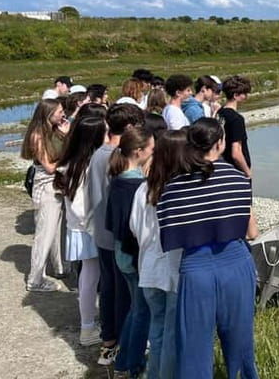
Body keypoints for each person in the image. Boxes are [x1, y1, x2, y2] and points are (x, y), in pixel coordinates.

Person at [157, 118, 259, 379]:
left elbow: (170, 236)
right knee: (240, 341)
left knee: (193, 346)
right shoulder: (238, 179)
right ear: (220, 143)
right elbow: (251, 232)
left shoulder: (173, 187)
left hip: (196, 268)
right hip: (236, 262)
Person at [88, 103, 145, 366]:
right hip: (117, 237)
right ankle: (123, 347)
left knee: (109, 290)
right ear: (131, 128)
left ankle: (107, 343)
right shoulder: (118, 159)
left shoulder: (98, 153)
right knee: (123, 296)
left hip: (100, 232)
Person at [131, 130, 187, 379]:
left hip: (149, 268)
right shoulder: (182, 190)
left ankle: (153, 374)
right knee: (173, 333)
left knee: (157, 330)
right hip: (174, 271)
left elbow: (135, 227)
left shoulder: (144, 188)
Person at [53, 114, 107, 345]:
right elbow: (84, 205)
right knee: (94, 277)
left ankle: (89, 325)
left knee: (88, 276)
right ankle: (90, 327)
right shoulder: (88, 166)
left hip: (79, 227)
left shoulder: (68, 163)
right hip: (91, 227)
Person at [106, 126, 155, 378]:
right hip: (134, 256)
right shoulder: (137, 185)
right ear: (139, 151)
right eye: (152, 149)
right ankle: (130, 365)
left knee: (136, 309)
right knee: (141, 312)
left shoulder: (116, 179)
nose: (154, 152)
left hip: (120, 253)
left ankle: (124, 360)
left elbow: (110, 223)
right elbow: (136, 230)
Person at [21, 99, 70, 291]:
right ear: (48, 114)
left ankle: (59, 267)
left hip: (57, 185)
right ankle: (35, 280)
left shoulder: (55, 131)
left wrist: (65, 136)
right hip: (47, 185)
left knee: (58, 229)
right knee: (45, 233)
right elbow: (49, 167)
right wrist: (66, 161)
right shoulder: (37, 135)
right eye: (59, 111)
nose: (62, 114)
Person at [216, 75, 252, 177]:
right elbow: (236, 152)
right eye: (244, 94)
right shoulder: (237, 119)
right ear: (235, 95)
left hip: (222, 165)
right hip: (236, 169)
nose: (246, 96)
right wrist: (247, 172)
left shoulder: (219, 112)